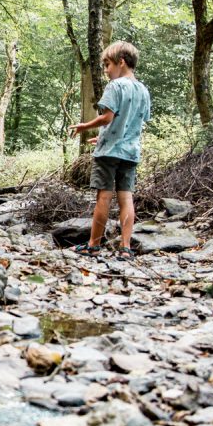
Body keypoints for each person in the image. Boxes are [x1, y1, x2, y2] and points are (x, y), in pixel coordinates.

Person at [68, 41, 151, 261]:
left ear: (121, 62)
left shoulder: (115, 86)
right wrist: (102, 135)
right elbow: (134, 122)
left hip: (108, 154)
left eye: (107, 64)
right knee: (126, 198)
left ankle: (93, 244)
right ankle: (125, 247)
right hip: (131, 152)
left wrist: (84, 126)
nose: (105, 70)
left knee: (103, 197)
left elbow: (108, 117)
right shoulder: (143, 90)